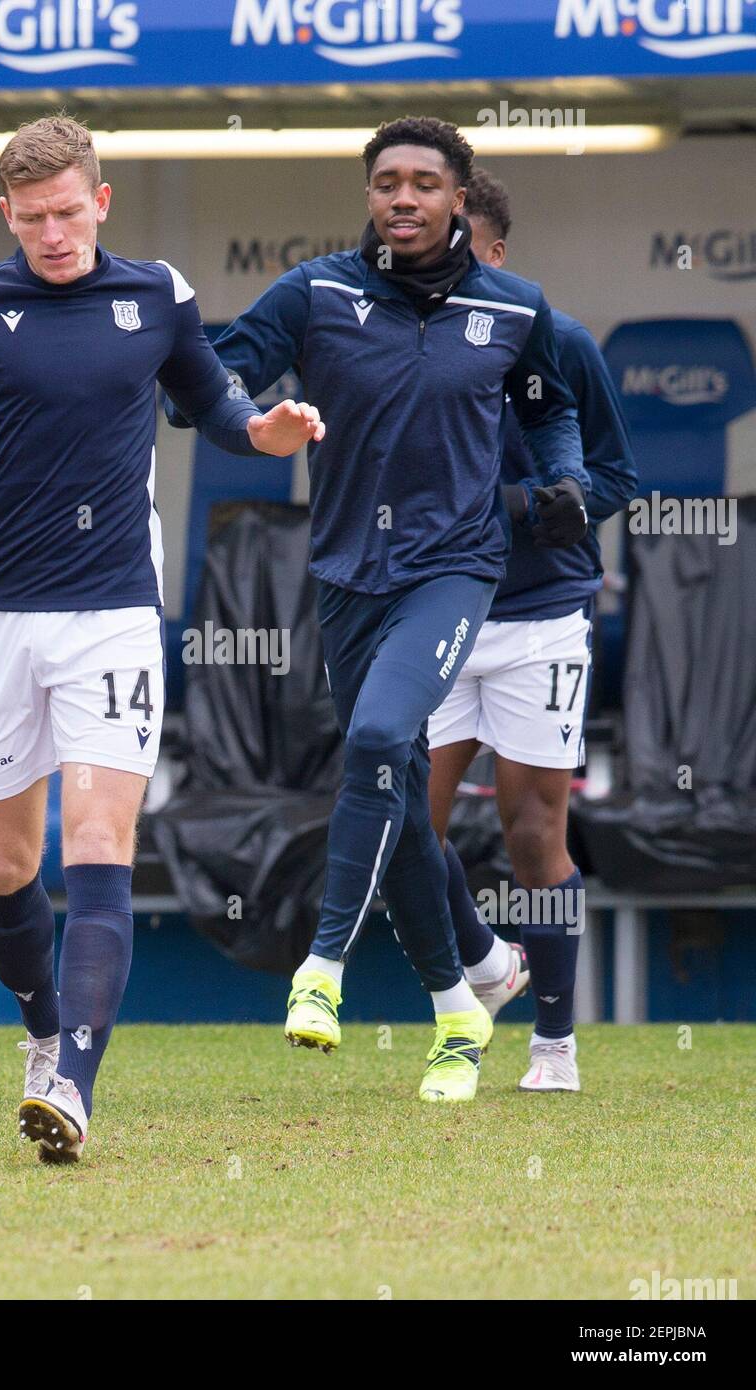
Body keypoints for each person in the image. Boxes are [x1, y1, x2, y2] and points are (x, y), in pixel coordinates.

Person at [0, 113, 324, 1162]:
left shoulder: (154, 295)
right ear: (6, 215)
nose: (52, 234)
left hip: (112, 614)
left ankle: (72, 1080)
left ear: (100, 201)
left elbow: (210, 401)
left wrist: (262, 429)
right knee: (7, 863)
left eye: (68, 213)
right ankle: (39, 1032)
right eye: (31, 219)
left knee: (101, 841)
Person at [168, 116, 589, 1102]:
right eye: (385, 182)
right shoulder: (315, 293)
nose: (402, 198)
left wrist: (563, 477)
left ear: (457, 198)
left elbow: (551, 407)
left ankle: (320, 971)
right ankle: (460, 998)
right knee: (396, 784)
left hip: (452, 569)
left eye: (422, 183)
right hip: (346, 572)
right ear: (368, 196)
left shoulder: (509, 307)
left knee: (375, 736)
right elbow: (210, 382)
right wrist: (247, 419)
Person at [427, 169, 637, 1092]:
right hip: (429, 612)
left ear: (497, 253)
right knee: (399, 821)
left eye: (456, 236)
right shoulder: (406, 346)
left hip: (540, 618)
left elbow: (618, 480)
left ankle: (555, 1042)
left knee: (530, 831)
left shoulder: (565, 343)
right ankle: (486, 965)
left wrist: (544, 505)